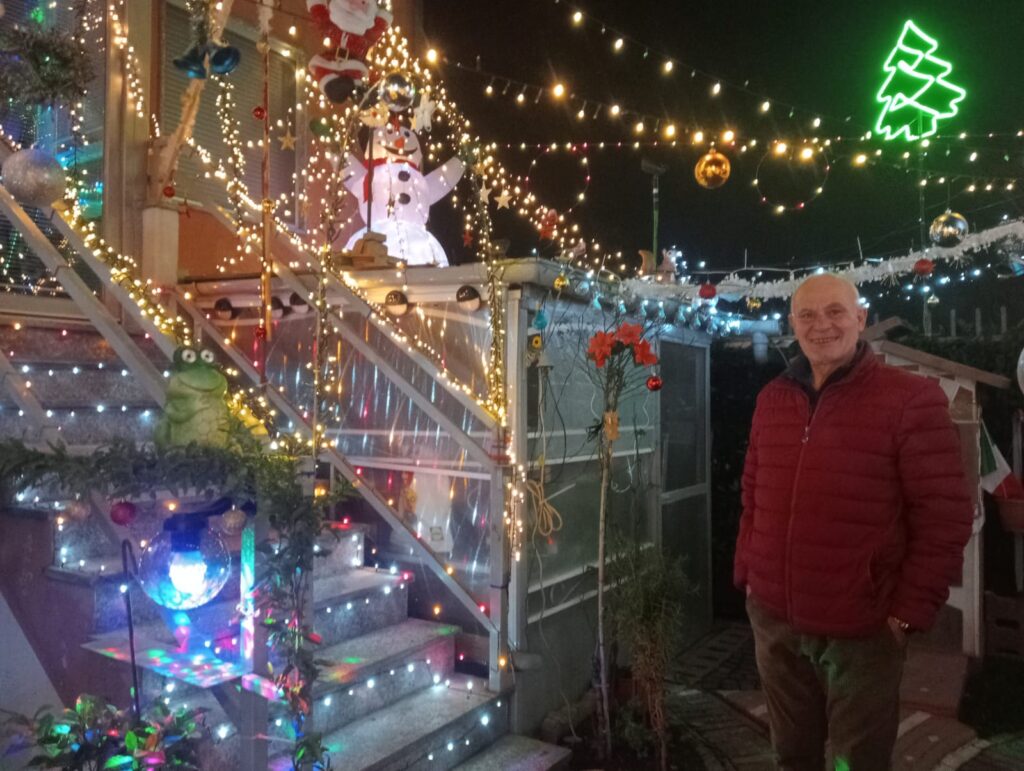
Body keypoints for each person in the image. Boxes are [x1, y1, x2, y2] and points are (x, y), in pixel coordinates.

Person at [733, 274, 973, 771]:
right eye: (807, 315)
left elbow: (945, 516)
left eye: (836, 312)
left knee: (856, 761)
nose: (822, 325)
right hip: (775, 619)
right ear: (792, 325)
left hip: (861, 630)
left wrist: (907, 614)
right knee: (792, 755)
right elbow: (753, 495)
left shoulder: (911, 399)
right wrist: (749, 574)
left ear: (860, 319)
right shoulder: (772, 400)